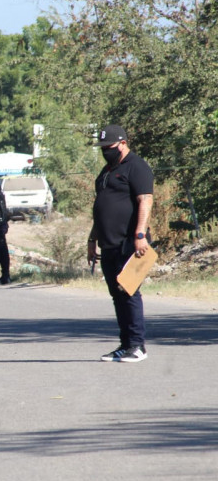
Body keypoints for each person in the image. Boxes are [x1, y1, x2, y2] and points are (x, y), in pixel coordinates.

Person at [88, 124, 154, 363]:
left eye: (110, 147)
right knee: (117, 295)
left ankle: (138, 346)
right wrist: (92, 239)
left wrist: (140, 235)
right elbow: (100, 208)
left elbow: (145, 200)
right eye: (103, 148)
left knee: (129, 291)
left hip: (130, 242)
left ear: (123, 143)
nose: (106, 151)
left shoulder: (137, 167)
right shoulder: (105, 172)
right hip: (108, 243)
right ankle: (125, 344)